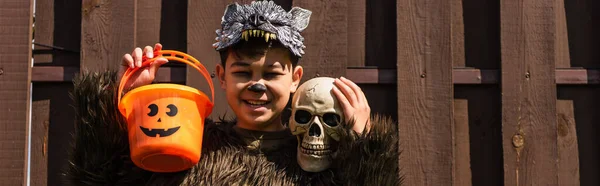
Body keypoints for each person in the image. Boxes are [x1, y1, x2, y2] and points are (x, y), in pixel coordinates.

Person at [64, 1, 401, 185]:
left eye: (271, 74)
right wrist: (119, 107)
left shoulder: (321, 161)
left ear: (295, 78)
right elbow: (96, 180)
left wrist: (365, 150)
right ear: (221, 78)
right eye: (243, 73)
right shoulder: (186, 150)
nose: (257, 85)